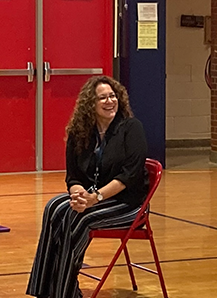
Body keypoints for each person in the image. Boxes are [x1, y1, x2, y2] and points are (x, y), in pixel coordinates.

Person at [27, 76, 149, 298]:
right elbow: (73, 176)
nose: (109, 101)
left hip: (127, 204)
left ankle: (65, 292)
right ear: (90, 104)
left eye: (112, 96)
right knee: (54, 207)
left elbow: (129, 176)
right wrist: (78, 194)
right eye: (102, 98)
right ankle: (44, 289)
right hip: (93, 199)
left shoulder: (131, 128)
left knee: (78, 219)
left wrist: (96, 198)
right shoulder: (80, 132)